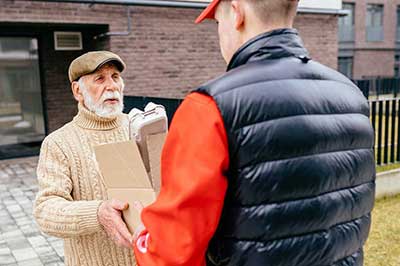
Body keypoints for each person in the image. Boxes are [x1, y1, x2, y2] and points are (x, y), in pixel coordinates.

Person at [132, 0, 376, 265]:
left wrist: (142, 238)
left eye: (218, 21)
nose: (219, 32)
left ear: (236, 13)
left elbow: (171, 253)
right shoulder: (351, 96)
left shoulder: (209, 107)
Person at [34, 51, 137, 266]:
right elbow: (46, 210)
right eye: (100, 78)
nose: (111, 86)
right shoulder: (59, 143)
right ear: (77, 90)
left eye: (115, 77)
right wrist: (98, 213)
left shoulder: (138, 127)